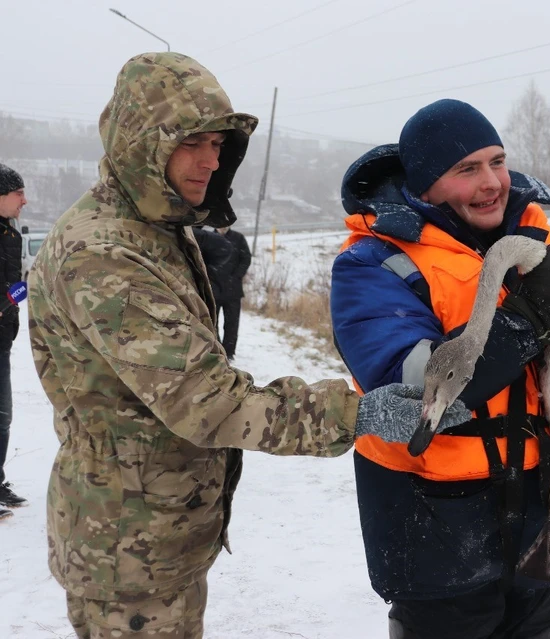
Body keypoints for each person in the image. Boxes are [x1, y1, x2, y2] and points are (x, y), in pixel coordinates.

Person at [27, 53, 468, 639]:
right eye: (191, 143)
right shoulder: (105, 254)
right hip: (124, 549)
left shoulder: (155, 228)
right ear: (141, 142)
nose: (211, 160)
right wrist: (358, 412)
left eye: (217, 143)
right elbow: (209, 402)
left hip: (156, 530)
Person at [330, 98, 550, 639]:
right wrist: (529, 315)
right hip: (434, 531)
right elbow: (415, 394)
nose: (492, 181)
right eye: (466, 170)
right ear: (425, 185)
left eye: (497, 161)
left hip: (541, 520)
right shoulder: (374, 263)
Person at [0, 164, 26, 521]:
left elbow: (16, 289)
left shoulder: (12, 235)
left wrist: (16, 294)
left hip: (4, 336)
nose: (25, 201)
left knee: (3, 417)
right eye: (18, 193)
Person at [214, 225, 251, 359]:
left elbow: (246, 258)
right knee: (212, 322)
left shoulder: (238, 238)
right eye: (219, 223)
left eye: (226, 223)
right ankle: (216, 350)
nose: (223, 226)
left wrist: (236, 276)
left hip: (233, 290)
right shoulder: (207, 238)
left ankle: (229, 352)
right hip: (213, 289)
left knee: (232, 323)